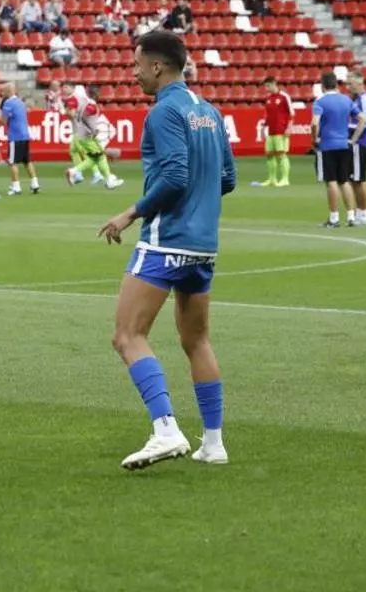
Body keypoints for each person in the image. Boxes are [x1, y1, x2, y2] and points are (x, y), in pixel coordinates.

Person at [97, 31, 236, 470]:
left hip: (166, 241)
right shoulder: (210, 112)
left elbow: (174, 176)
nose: (133, 73)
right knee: (196, 340)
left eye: (137, 65)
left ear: (157, 66)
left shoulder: (163, 112)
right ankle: (213, 444)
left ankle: (166, 430)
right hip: (204, 245)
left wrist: (130, 213)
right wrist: (200, 205)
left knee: (127, 335)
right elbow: (228, 178)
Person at [312, 72, 356, 227]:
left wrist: (314, 139)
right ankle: (351, 216)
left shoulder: (320, 102)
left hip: (328, 145)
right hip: (344, 144)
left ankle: (334, 218)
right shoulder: (346, 100)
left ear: (322, 86)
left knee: (331, 181)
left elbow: (315, 123)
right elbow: (362, 119)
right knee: (344, 181)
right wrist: (353, 139)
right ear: (336, 84)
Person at [65, 85, 124, 190]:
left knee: (95, 158)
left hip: (84, 135)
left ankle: (74, 171)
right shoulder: (91, 105)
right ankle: (108, 180)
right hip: (86, 136)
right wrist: (92, 129)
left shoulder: (86, 103)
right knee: (100, 156)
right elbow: (83, 117)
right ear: (96, 94)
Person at [0, 83, 39, 195]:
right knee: (27, 161)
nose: (2, 93)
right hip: (25, 135)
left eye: (4, 91)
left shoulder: (9, 103)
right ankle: (35, 183)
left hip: (15, 136)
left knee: (12, 162)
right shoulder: (20, 102)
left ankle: (16, 187)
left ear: (8, 92)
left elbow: (3, 121)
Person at [253, 75, 293, 188]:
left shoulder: (284, 97)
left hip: (281, 131)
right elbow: (269, 116)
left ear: (274, 84)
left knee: (281, 154)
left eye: (268, 86)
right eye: (265, 86)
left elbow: (291, 113)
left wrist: (289, 127)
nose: (266, 89)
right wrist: (263, 127)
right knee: (269, 155)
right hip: (271, 131)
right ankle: (272, 179)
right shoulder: (268, 99)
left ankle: (285, 179)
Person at [348, 73, 366, 226]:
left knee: (359, 179)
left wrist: (352, 138)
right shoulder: (357, 99)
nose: (349, 87)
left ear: (359, 84)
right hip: (357, 143)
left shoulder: (364, 99)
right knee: (354, 179)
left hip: (360, 142)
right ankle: (360, 212)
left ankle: (364, 214)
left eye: (351, 84)